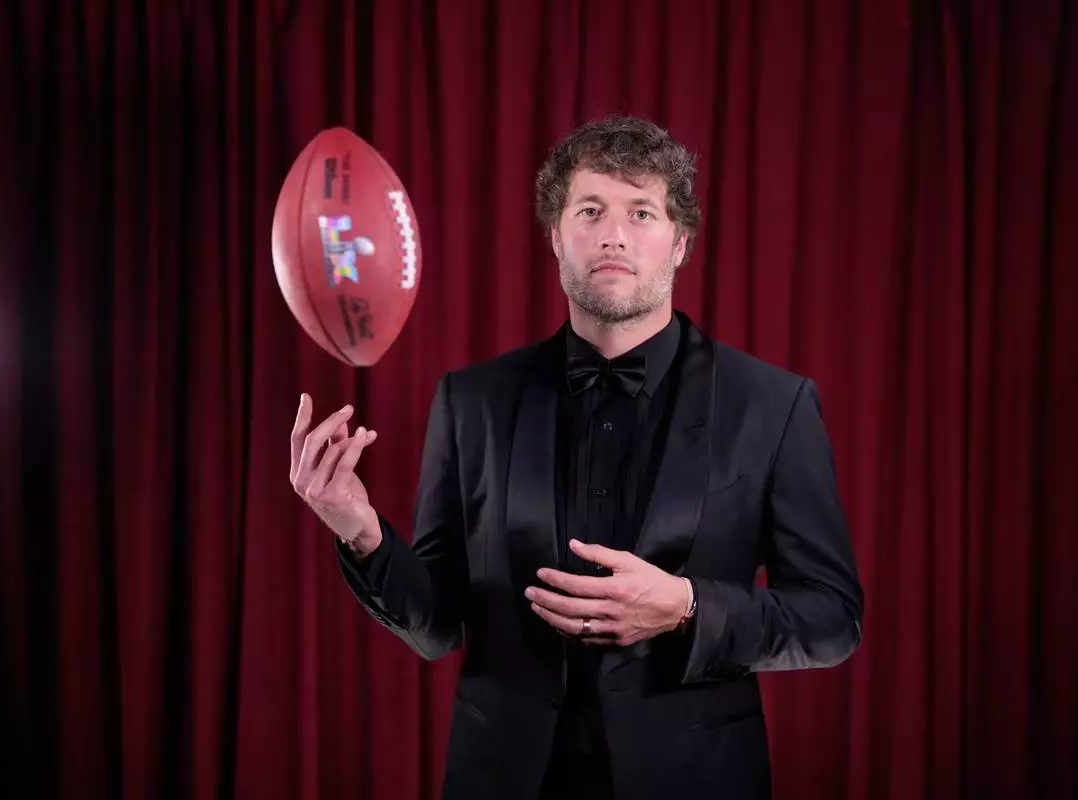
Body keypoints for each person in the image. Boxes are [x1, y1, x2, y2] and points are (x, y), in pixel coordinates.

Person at [289, 115, 865, 800]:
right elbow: (439, 626)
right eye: (590, 210)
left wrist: (686, 607)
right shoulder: (472, 401)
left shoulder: (774, 405)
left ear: (680, 242)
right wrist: (360, 530)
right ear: (556, 238)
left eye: (641, 211)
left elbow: (833, 620)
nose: (614, 234)